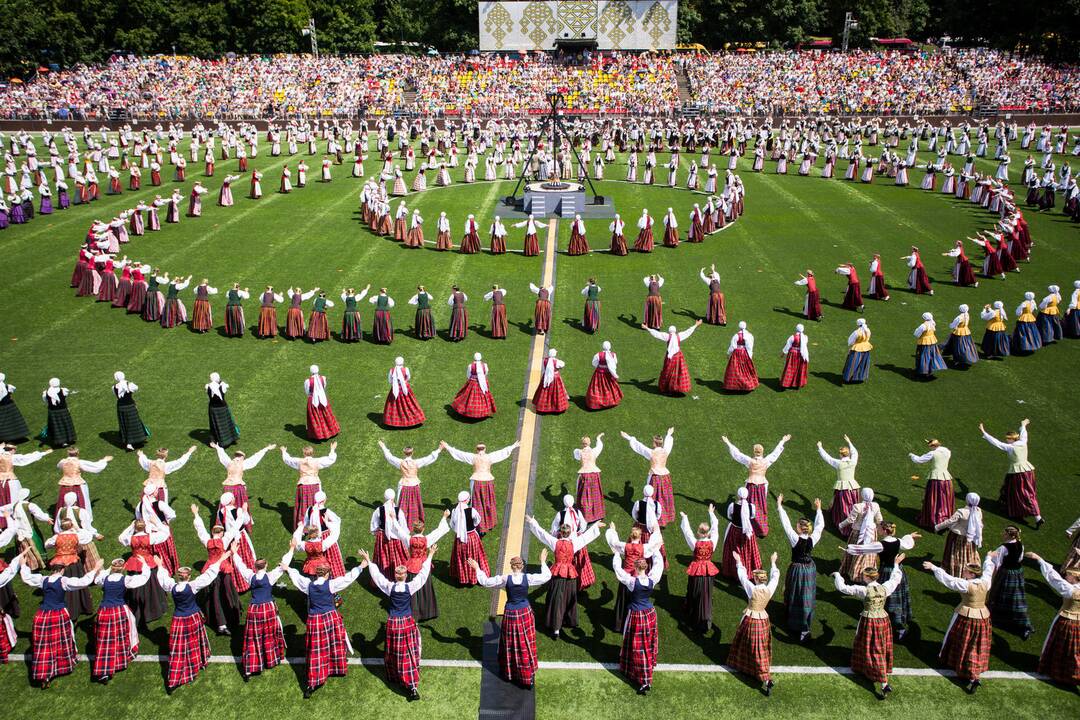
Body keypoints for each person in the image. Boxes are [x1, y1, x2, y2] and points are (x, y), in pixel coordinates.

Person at [282, 552, 367, 698]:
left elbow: (296, 577)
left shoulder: (309, 585)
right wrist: (361, 566)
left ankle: (313, 681)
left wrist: (287, 568)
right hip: (330, 618)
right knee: (334, 642)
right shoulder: (332, 584)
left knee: (316, 649)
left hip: (315, 620)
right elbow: (348, 578)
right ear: (327, 574)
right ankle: (337, 667)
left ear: (316, 574)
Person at [364, 545, 435, 701]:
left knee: (394, 651)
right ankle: (412, 686)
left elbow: (378, 577)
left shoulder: (390, 587)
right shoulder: (410, 586)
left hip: (394, 623)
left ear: (396, 576)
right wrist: (430, 555)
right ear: (405, 575)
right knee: (409, 652)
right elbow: (423, 575)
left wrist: (369, 561)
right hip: (407, 623)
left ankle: (395, 675)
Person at [473, 550, 551, 688]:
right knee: (525, 643)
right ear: (522, 566)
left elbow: (485, 582)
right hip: (525, 612)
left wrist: (477, 568)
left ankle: (510, 672)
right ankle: (527, 676)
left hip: (510, 613)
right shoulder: (528, 578)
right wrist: (542, 561)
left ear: (512, 566)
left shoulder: (505, 578)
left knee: (510, 644)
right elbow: (546, 576)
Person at [20, 554, 99, 687]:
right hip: (58, 615)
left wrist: (23, 564)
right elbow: (83, 582)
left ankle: (44, 674)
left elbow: (26, 578)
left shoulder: (43, 580)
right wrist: (95, 568)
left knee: (43, 645)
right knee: (63, 639)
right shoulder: (63, 581)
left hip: (43, 615)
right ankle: (64, 664)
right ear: (62, 569)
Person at [923, 555, 996, 693]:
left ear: (972, 574)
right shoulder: (986, 582)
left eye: (966, 571)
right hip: (983, 616)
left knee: (963, 640)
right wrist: (988, 558)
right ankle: (974, 673)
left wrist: (933, 568)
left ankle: (965, 668)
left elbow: (948, 580)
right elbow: (988, 570)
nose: (963, 572)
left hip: (967, 615)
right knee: (976, 643)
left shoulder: (966, 585)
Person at [156, 551, 228, 693]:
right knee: (195, 641)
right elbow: (208, 576)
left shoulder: (172, 587)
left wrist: (160, 565)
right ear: (188, 576)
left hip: (179, 620)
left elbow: (163, 578)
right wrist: (221, 560)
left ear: (178, 577)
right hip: (193, 618)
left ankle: (174, 679)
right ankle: (199, 661)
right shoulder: (192, 586)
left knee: (178, 647)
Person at [833, 563, 906, 699]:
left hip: (870, 621)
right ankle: (867, 669)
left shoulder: (864, 590)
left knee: (873, 649)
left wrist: (837, 575)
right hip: (883, 620)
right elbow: (896, 579)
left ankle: (884, 683)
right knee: (880, 647)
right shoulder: (884, 588)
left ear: (867, 577)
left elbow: (843, 588)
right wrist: (895, 565)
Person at [524, 515, 603, 638]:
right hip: (570, 575)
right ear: (570, 533)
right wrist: (595, 526)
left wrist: (532, 521)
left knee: (556, 599)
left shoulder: (555, 542)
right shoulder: (574, 543)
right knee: (569, 598)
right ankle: (569, 620)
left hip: (557, 573)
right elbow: (585, 537)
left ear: (560, 533)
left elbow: (542, 534)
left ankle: (556, 628)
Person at [91, 556, 151, 683]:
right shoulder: (125, 580)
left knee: (104, 640)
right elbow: (144, 578)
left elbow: (96, 580)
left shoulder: (104, 578)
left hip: (104, 611)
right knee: (121, 635)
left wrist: (107, 569)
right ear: (123, 568)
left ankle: (103, 670)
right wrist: (145, 564)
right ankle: (120, 658)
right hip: (118, 611)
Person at [728, 551, 780, 695]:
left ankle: (765, 678)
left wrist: (739, 561)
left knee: (751, 645)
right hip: (763, 620)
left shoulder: (753, 589)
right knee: (760, 645)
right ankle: (760, 674)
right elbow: (775, 577)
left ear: (757, 579)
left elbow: (743, 578)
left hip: (752, 619)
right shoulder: (769, 589)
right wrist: (773, 562)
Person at [1025, 551, 1080, 686]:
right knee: (1074, 649)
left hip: (1066, 621)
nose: (1066, 576)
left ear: (1074, 578)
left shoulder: (1070, 590)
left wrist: (1039, 559)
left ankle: (1057, 670)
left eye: (1068, 575)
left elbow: (1053, 578)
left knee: (1059, 644)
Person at [612, 552, 663, 694]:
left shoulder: (632, 582)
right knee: (648, 642)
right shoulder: (652, 578)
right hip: (650, 614)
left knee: (638, 646)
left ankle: (645, 679)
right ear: (646, 568)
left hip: (637, 615)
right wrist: (655, 551)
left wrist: (616, 554)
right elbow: (659, 565)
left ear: (635, 567)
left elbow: (618, 570)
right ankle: (642, 667)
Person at [776, 495, 824, 641]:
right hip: (809, 569)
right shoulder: (812, 538)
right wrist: (819, 510)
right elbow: (820, 526)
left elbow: (786, 524)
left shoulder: (795, 538)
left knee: (794, 592)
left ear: (799, 527)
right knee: (806, 596)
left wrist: (779, 505)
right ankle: (804, 626)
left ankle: (795, 619)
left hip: (797, 569)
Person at [231, 552, 287, 680]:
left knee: (252, 638)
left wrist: (234, 553)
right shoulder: (270, 576)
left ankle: (250, 668)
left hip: (254, 610)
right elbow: (283, 565)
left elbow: (240, 566)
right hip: (268, 609)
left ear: (255, 567)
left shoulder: (251, 577)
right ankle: (271, 659)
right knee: (269, 634)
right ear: (266, 566)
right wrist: (291, 548)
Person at [441, 440, 518, 532]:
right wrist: (513, 446)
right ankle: (489, 522)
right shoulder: (490, 457)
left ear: (476, 449)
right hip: (487, 482)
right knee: (488, 502)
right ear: (485, 449)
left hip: (477, 481)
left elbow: (459, 454)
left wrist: (447, 447)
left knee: (477, 503)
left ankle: (480, 525)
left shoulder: (473, 457)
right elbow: (502, 452)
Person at [721, 434, 790, 537]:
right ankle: (761, 527)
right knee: (761, 506)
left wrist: (728, 443)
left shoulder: (750, 461)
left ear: (754, 452)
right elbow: (775, 453)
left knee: (748, 504)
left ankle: (747, 522)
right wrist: (782, 441)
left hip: (751, 485)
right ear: (762, 452)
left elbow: (737, 454)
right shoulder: (766, 461)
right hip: (762, 486)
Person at [980, 419, 1042, 526]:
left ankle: (1037, 517)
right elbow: (1023, 433)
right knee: (1017, 490)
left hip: (1018, 473)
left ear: (1011, 439)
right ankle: (1013, 508)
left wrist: (984, 431)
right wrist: (1023, 425)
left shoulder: (1010, 447)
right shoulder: (1023, 442)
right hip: (1028, 471)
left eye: (1007, 439)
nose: (1006, 441)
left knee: (1024, 493)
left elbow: (996, 443)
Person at [620, 427, 677, 526]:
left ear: (654, 443)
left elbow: (639, 447)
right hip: (665, 477)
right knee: (665, 497)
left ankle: (652, 517)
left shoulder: (651, 452)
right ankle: (665, 516)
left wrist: (628, 437)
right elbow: (668, 444)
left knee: (653, 497)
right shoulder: (665, 451)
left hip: (655, 478)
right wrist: (669, 434)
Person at [378, 441, 441, 528]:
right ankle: (415, 518)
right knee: (415, 502)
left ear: (404, 453)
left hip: (404, 485)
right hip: (414, 485)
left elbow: (389, 457)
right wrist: (439, 449)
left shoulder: (400, 462)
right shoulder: (416, 462)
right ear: (412, 453)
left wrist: (383, 447)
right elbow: (429, 458)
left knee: (402, 503)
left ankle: (401, 519)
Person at [987, 526, 1034, 639]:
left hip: (1006, 574)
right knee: (1017, 598)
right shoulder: (1020, 545)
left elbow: (997, 564)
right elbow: (1019, 559)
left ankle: (995, 617)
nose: (1002, 534)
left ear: (1009, 535)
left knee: (997, 594)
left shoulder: (1003, 547)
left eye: (1004, 532)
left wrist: (992, 578)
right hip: (1017, 574)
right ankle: (1020, 623)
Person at [679, 505, 719, 632]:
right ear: (708, 532)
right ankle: (704, 616)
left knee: (694, 592)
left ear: (699, 532)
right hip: (708, 571)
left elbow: (687, 532)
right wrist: (711, 513)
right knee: (706, 593)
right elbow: (716, 528)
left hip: (696, 571)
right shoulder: (712, 542)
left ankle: (693, 612)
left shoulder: (695, 543)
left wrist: (685, 518)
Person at [281, 443, 338, 529]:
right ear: (312, 453)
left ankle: (303, 528)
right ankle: (317, 524)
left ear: (304, 453)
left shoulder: (299, 461)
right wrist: (332, 449)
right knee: (316, 505)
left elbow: (288, 460)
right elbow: (330, 459)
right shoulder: (317, 461)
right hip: (314, 485)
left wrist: (284, 452)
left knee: (302, 507)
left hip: (303, 486)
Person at [643, 321, 702, 396]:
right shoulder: (679, 336)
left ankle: (668, 387)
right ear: (675, 331)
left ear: (669, 331)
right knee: (678, 372)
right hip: (678, 356)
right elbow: (688, 331)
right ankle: (676, 387)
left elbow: (657, 334)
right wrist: (696, 325)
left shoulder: (667, 336)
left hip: (670, 357)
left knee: (668, 371)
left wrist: (647, 328)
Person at [934, 492, 985, 579]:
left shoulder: (961, 511)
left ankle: (956, 570)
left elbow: (950, 521)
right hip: (970, 537)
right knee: (968, 553)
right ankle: (969, 569)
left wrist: (938, 527)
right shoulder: (978, 511)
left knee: (955, 553)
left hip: (958, 536)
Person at [909, 439, 955, 529]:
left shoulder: (933, 453)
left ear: (933, 446)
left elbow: (919, 460)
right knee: (945, 499)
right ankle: (946, 518)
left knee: (934, 499)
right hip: (947, 479)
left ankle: (934, 520)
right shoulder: (947, 451)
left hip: (936, 480)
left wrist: (912, 455)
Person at [448, 491, 488, 586]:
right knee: (474, 556)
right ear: (466, 500)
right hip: (471, 537)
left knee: (461, 556)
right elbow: (477, 520)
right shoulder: (471, 510)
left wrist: (459, 531)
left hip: (460, 539)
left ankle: (463, 577)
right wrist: (472, 526)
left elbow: (452, 525)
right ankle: (473, 577)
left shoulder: (454, 511)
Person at [451, 353, 497, 420]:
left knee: (468, 397)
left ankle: (469, 412)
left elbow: (468, 375)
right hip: (483, 383)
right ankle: (483, 411)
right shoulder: (485, 365)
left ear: (474, 358)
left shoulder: (471, 365)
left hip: (473, 383)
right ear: (481, 357)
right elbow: (486, 373)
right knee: (483, 396)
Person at [383, 357, 426, 429]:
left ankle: (394, 421)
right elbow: (408, 378)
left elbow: (390, 380)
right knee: (409, 403)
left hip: (395, 389)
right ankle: (412, 419)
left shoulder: (392, 370)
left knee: (394, 405)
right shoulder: (406, 369)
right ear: (403, 362)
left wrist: (396, 383)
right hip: (405, 389)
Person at [111, 371, 148, 451]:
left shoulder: (114, 387)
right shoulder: (129, 384)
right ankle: (135, 440)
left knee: (125, 424)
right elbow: (136, 388)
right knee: (134, 422)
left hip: (121, 407)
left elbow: (118, 396)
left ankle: (130, 442)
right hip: (130, 406)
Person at [304, 365, 339, 441]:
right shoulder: (323, 378)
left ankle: (318, 434)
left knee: (315, 417)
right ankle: (331, 431)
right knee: (326, 414)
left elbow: (307, 392)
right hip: (323, 399)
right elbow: (324, 387)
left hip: (313, 400)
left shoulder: (308, 381)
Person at [40, 378, 76, 447]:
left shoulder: (46, 392)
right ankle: (69, 439)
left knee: (57, 427)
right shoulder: (63, 391)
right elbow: (64, 397)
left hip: (53, 412)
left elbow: (46, 401)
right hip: (63, 410)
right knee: (65, 424)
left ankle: (61, 441)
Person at [723, 322, 758, 392]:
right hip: (745, 353)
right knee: (745, 369)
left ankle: (733, 386)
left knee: (735, 369)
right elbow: (750, 346)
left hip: (737, 353)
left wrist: (728, 354)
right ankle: (747, 384)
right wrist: (750, 355)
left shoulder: (736, 335)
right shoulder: (749, 335)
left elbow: (732, 346)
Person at [532, 349, 568, 414]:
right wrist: (556, 360)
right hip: (555, 378)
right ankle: (556, 407)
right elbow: (563, 364)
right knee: (556, 392)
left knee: (544, 391)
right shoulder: (556, 362)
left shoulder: (545, 360)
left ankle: (543, 407)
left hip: (546, 377)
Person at [913, 313, 947, 378]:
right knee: (932, 356)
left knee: (923, 356)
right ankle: (930, 370)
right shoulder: (933, 323)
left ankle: (922, 371)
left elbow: (916, 334)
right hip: (932, 342)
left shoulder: (923, 325)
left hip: (924, 343)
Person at [0, 373, 30, 442]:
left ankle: (4, 438)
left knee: (2, 422)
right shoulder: (8, 386)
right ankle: (16, 436)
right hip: (9, 406)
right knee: (12, 421)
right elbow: (10, 394)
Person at [779, 324, 809, 390]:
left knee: (790, 368)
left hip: (793, 354)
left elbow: (787, 346)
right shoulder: (805, 337)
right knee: (798, 369)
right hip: (801, 355)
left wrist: (783, 354)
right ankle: (797, 383)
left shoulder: (793, 337)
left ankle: (786, 383)